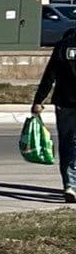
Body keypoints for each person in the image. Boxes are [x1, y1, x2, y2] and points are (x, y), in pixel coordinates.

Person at [32, 21, 76, 200]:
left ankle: (70, 185)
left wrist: (38, 100)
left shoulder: (61, 47)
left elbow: (49, 76)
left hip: (64, 102)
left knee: (67, 143)